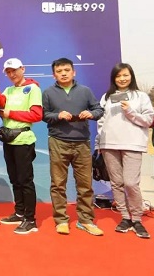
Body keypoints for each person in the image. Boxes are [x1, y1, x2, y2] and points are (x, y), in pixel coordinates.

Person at [42, 58, 104, 236]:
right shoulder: (48, 92)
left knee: (85, 184)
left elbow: (99, 110)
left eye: (67, 70)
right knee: (58, 184)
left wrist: (90, 113)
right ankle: (61, 220)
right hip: (58, 142)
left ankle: (86, 220)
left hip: (82, 143)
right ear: (54, 75)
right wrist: (58, 115)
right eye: (59, 71)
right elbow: (43, 115)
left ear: (73, 72)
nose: (63, 73)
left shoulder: (85, 91)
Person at [95, 63, 154, 239]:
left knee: (131, 183)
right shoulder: (106, 97)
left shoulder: (141, 96)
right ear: (113, 78)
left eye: (125, 75)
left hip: (132, 144)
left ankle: (137, 218)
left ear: (131, 76)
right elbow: (101, 122)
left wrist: (130, 111)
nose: (122, 79)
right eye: (118, 76)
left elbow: (148, 120)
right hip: (109, 144)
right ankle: (125, 217)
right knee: (117, 183)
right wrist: (99, 144)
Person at [0, 58, 42, 235]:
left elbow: (36, 115)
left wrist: (10, 113)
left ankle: (31, 220)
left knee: (25, 180)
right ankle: (20, 212)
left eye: (14, 70)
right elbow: (0, 102)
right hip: (9, 140)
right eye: (8, 72)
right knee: (14, 179)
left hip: (23, 140)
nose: (11, 74)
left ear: (22, 69)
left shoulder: (33, 89)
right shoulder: (9, 89)